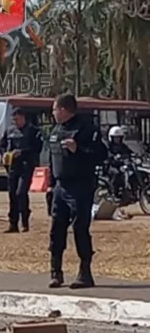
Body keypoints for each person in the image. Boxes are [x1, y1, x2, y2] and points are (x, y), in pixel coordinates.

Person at [47, 93, 106, 289]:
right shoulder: (56, 130)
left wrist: (78, 149)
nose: (53, 113)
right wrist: (50, 185)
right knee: (56, 229)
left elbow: (101, 155)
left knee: (80, 228)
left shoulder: (86, 129)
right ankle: (55, 272)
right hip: (60, 187)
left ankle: (85, 274)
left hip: (80, 186)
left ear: (63, 110)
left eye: (55, 110)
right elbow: (52, 159)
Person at [0, 108, 43, 233]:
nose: (15, 122)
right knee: (12, 194)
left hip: (26, 165)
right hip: (12, 166)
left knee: (21, 193)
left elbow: (37, 148)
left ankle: (24, 221)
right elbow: (2, 145)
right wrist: (4, 154)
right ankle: (13, 224)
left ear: (23, 118)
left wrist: (22, 152)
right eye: (14, 120)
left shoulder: (33, 131)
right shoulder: (9, 131)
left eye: (17, 119)